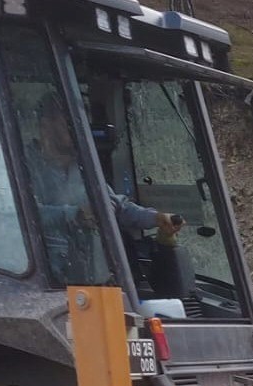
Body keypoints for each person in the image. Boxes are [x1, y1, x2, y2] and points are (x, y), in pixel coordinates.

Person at [27, 91, 181, 283]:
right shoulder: (23, 164)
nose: (76, 127)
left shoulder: (83, 166)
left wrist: (156, 218)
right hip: (44, 279)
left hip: (90, 277)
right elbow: (22, 217)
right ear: (45, 125)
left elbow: (113, 206)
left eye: (80, 121)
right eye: (67, 120)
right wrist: (74, 215)